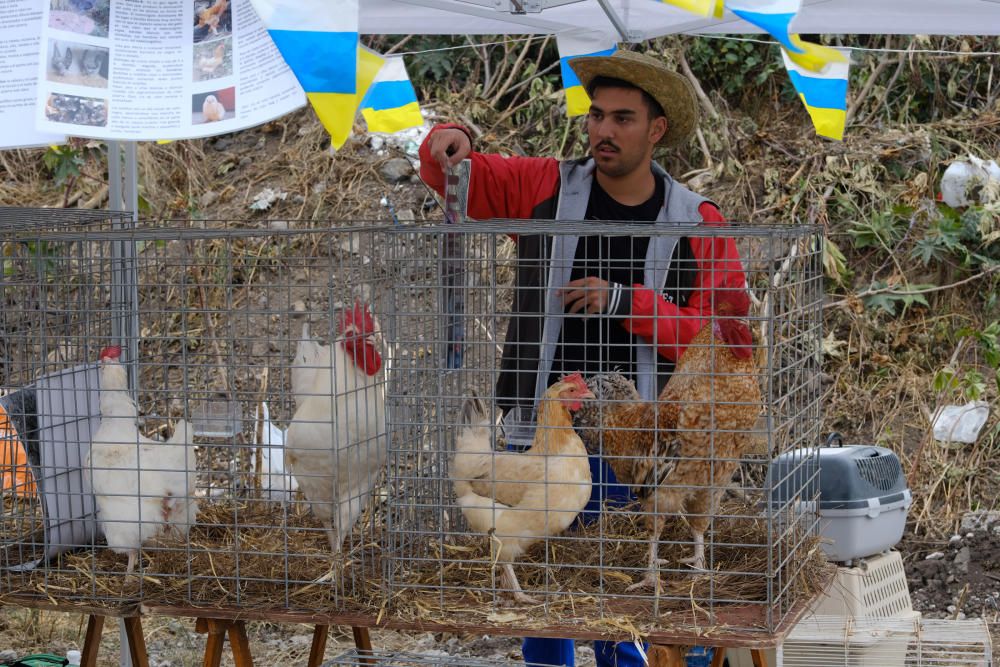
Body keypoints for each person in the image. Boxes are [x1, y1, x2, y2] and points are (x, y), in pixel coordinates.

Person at [419, 49, 745, 667]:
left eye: (623, 119)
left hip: (636, 442)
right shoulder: (546, 187)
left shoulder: (697, 221)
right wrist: (448, 139)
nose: (603, 131)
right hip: (541, 431)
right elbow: (452, 174)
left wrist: (626, 300)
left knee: (622, 601)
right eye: (596, 116)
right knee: (543, 597)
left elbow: (719, 345)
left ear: (658, 130)